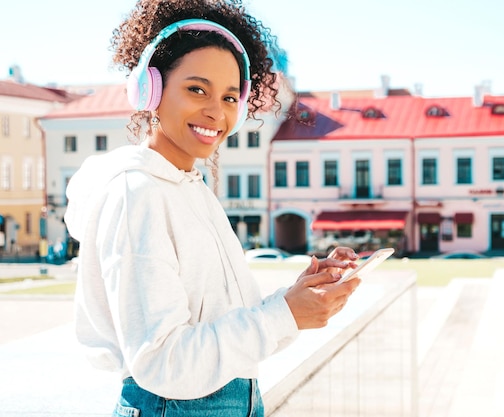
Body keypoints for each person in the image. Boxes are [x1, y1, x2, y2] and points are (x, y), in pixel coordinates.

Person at [63, 1, 361, 416]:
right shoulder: (139, 194)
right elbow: (162, 361)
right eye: (196, 89)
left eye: (229, 97)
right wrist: (283, 316)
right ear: (150, 88)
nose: (215, 112)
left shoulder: (189, 186)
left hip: (230, 399)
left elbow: (225, 322)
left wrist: (296, 298)